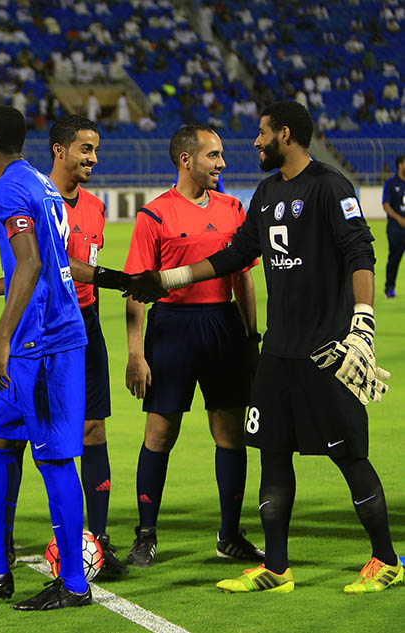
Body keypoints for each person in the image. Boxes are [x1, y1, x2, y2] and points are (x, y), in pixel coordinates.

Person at [149, 101, 401, 594]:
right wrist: (170, 278)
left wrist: (363, 324)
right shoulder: (265, 193)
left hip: (327, 351)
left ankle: (386, 560)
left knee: (349, 454)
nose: (256, 142)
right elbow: (236, 255)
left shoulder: (331, 186)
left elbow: (360, 251)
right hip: (278, 353)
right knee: (271, 452)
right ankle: (277, 567)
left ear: (284, 134)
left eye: (262, 134)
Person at [0, 106, 114, 610]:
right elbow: (45, 266)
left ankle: (74, 584)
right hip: (38, 337)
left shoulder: (9, 188)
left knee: (56, 458)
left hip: (45, 344)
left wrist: (0, 342)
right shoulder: (38, 182)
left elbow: (33, 263)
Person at [122, 124, 264, 569]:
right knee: (161, 433)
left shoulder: (234, 209)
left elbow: (243, 276)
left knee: (230, 432)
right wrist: (135, 353)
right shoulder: (155, 215)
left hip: (223, 325)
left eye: (221, 156)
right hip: (172, 328)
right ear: (187, 160)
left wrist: (251, 337)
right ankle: (146, 534)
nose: (221, 164)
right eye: (213, 156)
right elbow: (136, 289)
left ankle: (230, 534)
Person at [46, 114, 127, 576]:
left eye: (95, 150)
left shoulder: (95, 207)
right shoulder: (38, 198)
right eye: (84, 149)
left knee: (94, 431)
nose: (93, 158)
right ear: (60, 150)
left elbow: (88, 263)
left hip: (88, 322)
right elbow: (63, 264)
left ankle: (96, 538)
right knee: (34, 436)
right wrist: (122, 280)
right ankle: (11, 535)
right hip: (48, 326)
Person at [381, 154, 405, 298]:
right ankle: (389, 288)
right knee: (394, 259)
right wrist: (399, 219)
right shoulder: (391, 183)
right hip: (396, 229)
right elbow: (386, 205)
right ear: (400, 165)